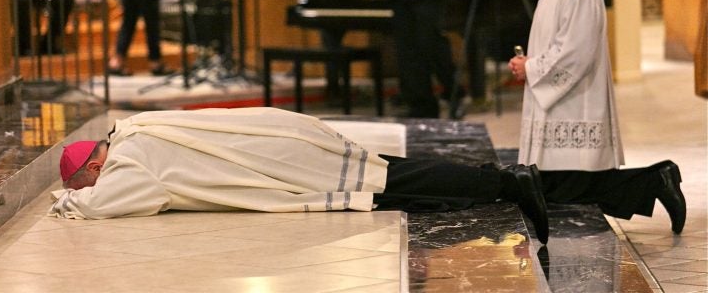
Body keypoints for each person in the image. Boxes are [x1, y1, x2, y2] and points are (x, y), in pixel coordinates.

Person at [50, 107, 550, 244]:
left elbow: (115, 200)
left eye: (87, 179)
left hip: (284, 165)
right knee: (399, 179)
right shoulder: (135, 128)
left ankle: (506, 183)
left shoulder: (131, 161)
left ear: (97, 164)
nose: (92, 185)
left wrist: (67, 203)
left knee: (398, 183)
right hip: (280, 139)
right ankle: (496, 180)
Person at [508, 0, 687, 234]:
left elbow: (574, 53)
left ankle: (656, 179)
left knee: (568, 190)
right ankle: (657, 180)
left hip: (575, 104)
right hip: (559, 105)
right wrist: (530, 65)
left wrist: (530, 67)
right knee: (563, 189)